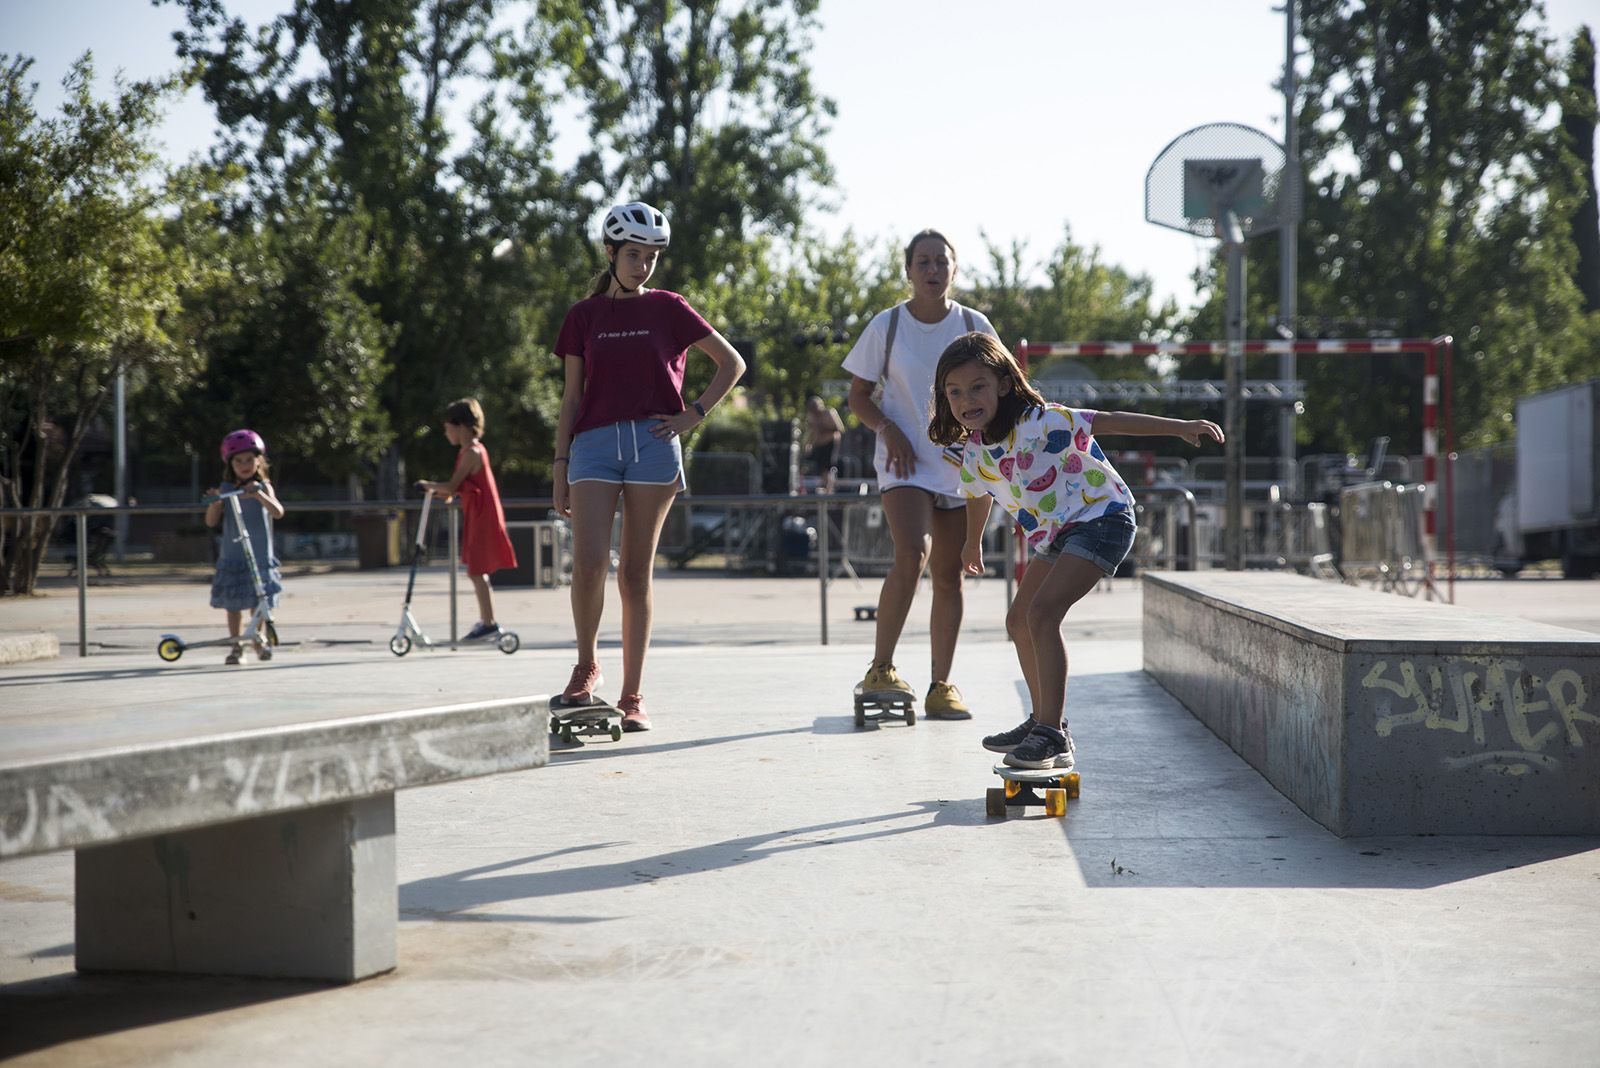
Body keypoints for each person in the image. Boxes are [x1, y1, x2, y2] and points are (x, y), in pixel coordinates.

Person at [929, 332, 1223, 768]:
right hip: (1057, 534)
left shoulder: (1041, 420)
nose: (966, 399)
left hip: (1102, 518)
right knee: (1018, 621)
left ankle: (1052, 734)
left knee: (1043, 615)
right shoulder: (974, 450)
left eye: (978, 387)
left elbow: (1108, 419)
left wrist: (1178, 429)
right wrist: (972, 541)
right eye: (954, 392)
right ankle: (1042, 722)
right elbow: (978, 494)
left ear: (1004, 385)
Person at [551, 200, 746, 731]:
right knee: (589, 563)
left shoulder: (669, 307)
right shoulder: (582, 316)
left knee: (635, 574)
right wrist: (560, 462)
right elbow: (570, 399)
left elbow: (733, 363)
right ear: (611, 252)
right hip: (590, 446)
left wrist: (694, 414)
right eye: (633, 254)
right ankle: (585, 666)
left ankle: (632, 696)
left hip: (654, 444)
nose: (643, 266)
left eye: (652, 256)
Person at [843, 228, 997, 720]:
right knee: (914, 551)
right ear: (908, 271)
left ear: (954, 269)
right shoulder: (887, 326)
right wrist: (890, 431)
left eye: (941, 261)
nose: (932, 270)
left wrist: (984, 445)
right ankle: (881, 667)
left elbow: (1001, 392)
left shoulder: (974, 325)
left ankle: (941, 685)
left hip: (958, 466)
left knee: (949, 576)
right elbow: (858, 397)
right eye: (922, 262)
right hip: (903, 460)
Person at [417, 398, 518, 641]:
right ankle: (487, 621)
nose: (446, 433)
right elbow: (459, 488)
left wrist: (426, 486)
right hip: (478, 514)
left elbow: (452, 486)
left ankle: (489, 623)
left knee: (477, 569)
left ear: (460, 425)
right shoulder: (469, 451)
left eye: (448, 427)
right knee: (476, 569)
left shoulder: (472, 451)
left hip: (483, 516)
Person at [205, 429, 285, 665]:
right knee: (233, 603)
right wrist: (216, 503)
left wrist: (260, 496)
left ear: (258, 460)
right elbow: (210, 521)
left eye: (249, 460)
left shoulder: (263, 486)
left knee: (258, 600)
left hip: (259, 554)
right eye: (238, 461)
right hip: (234, 554)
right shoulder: (227, 488)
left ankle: (257, 639)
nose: (244, 465)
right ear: (230, 464)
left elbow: (277, 512)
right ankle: (236, 644)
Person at [803, 394, 845, 492]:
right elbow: (812, 432)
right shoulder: (813, 417)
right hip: (819, 444)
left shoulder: (829, 413)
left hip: (830, 442)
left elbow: (839, 429)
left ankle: (829, 488)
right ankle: (826, 486)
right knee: (820, 467)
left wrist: (823, 429)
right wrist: (808, 445)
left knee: (828, 466)